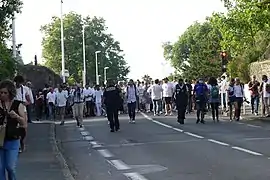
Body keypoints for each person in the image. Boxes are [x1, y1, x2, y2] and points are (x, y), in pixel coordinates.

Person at [0, 80, 27, 180]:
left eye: (5, 93)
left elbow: (24, 124)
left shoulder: (18, 105)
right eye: (1, 92)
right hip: (0, 139)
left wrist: (16, 116)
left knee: (10, 167)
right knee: (0, 168)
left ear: (10, 93)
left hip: (12, 139)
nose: (2, 95)